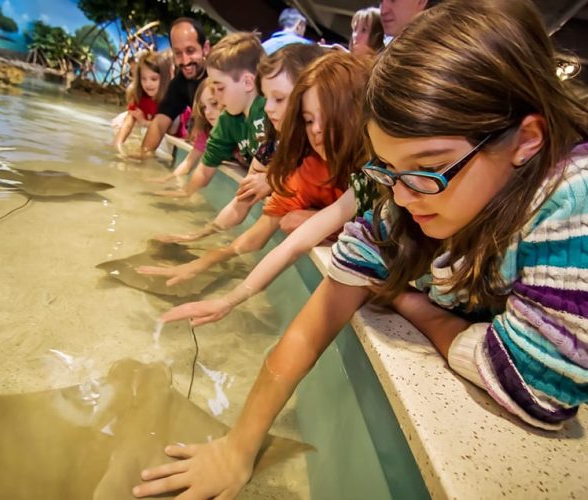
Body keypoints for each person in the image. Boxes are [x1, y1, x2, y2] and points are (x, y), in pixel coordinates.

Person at [132, 0, 588, 497]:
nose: (401, 195)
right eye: (387, 168)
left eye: (427, 168)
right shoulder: (401, 193)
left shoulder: (570, 197)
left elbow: (537, 387)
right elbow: (316, 321)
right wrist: (238, 447)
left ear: (526, 140)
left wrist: (406, 300)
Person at [136, 52, 370, 291]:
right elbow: (254, 219)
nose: (268, 108)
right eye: (309, 120)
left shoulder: (375, 166)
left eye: (279, 99)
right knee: (290, 221)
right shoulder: (297, 157)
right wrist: (201, 255)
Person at [154, 43, 326, 243]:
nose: (269, 108)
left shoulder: (268, 118)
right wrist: (198, 235)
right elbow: (241, 199)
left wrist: (272, 178)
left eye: (219, 88)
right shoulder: (272, 140)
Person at [154, 32, 268, 205]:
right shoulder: (228, 119)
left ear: (247, 82)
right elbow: (206, 167)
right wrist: (185, 194)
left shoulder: (268, 111)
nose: (219, 99)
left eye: (220, 88)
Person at [137, 18, 210, 158]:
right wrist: (142, 157)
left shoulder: (220, 75)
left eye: (190, 51)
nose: (185, 61)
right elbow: (159, 124)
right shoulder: (179, 83)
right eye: (178, 53)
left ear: (205, 48)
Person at [149, 79, 223, 187]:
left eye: (214, 104)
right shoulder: (206, 131)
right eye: (204, 107)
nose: (207, 112)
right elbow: (188, 162)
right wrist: (165, 179)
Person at [112, 51, 173, 153]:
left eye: (153, 79)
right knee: (118, 123)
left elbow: (168, 128)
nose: (148, 84)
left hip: (168, 137)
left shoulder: (171, 99)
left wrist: (144, 122)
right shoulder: (140, 97)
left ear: (164, 79)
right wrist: (117, 145)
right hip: (150, 130)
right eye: (143, 79)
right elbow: (128, 123)